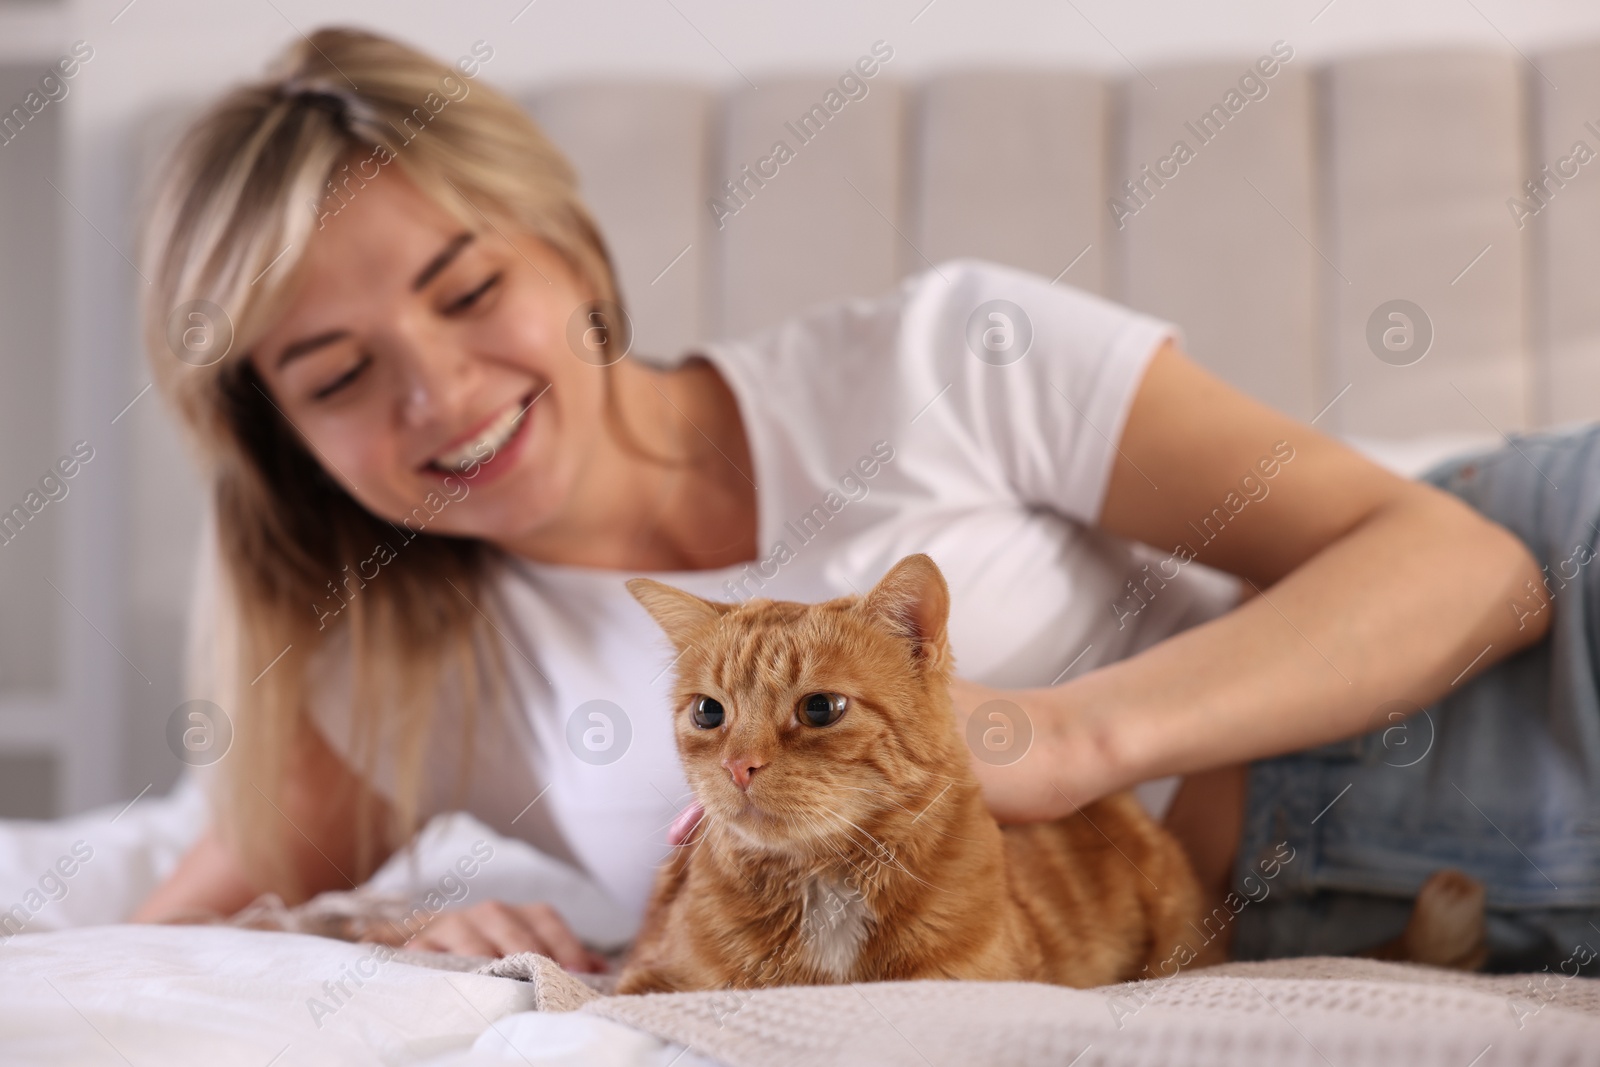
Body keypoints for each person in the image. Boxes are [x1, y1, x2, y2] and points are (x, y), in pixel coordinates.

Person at [131, 27, 1561, 972]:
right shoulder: (396, 673)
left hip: (1494, 674)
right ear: (282, 438)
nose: (439, 393)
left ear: (566, 248)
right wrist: (393, 934)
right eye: (337, 375)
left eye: (472, 291)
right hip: (1338, 906)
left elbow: (1474, 569)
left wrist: (1058, 737)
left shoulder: (948, 357)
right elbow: (153, 950)